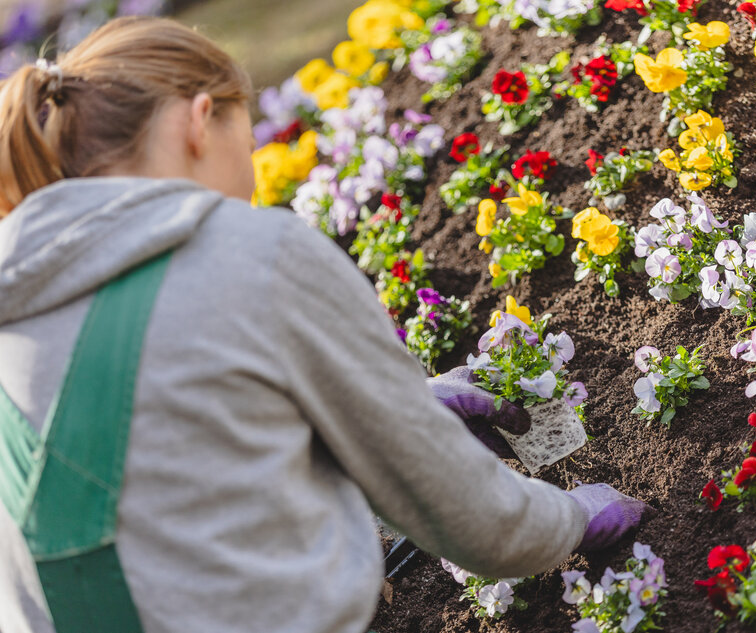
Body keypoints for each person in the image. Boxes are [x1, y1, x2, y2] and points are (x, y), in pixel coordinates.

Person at [0, 16, 649, 633]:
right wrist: (568, 519)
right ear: (201, 122)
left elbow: (162, 497)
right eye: (248, 145)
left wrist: (380, 417)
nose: (251, 182)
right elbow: (472, 518)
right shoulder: (245, 252)